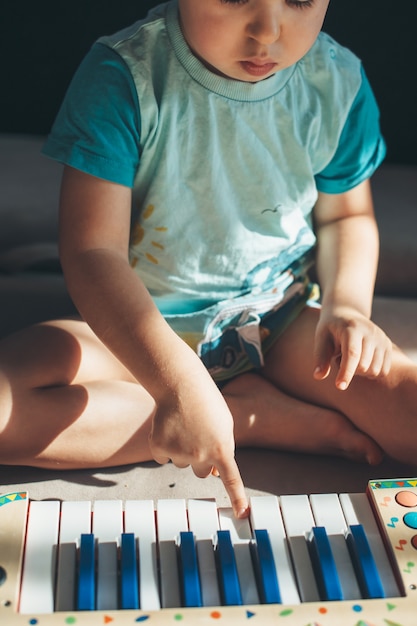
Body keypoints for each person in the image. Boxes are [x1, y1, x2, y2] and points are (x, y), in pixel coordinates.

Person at [0, 0, 416, 519]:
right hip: (139, 333)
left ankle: (214, 413)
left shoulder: (337, 83)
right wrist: (177, 382)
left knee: (406, 401)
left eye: (301, 1)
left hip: (277, 320)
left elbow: (346, 219)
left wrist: (347, 307)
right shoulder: (124, 76)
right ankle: (242, 418)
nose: (267, 31)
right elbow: (91, 252)